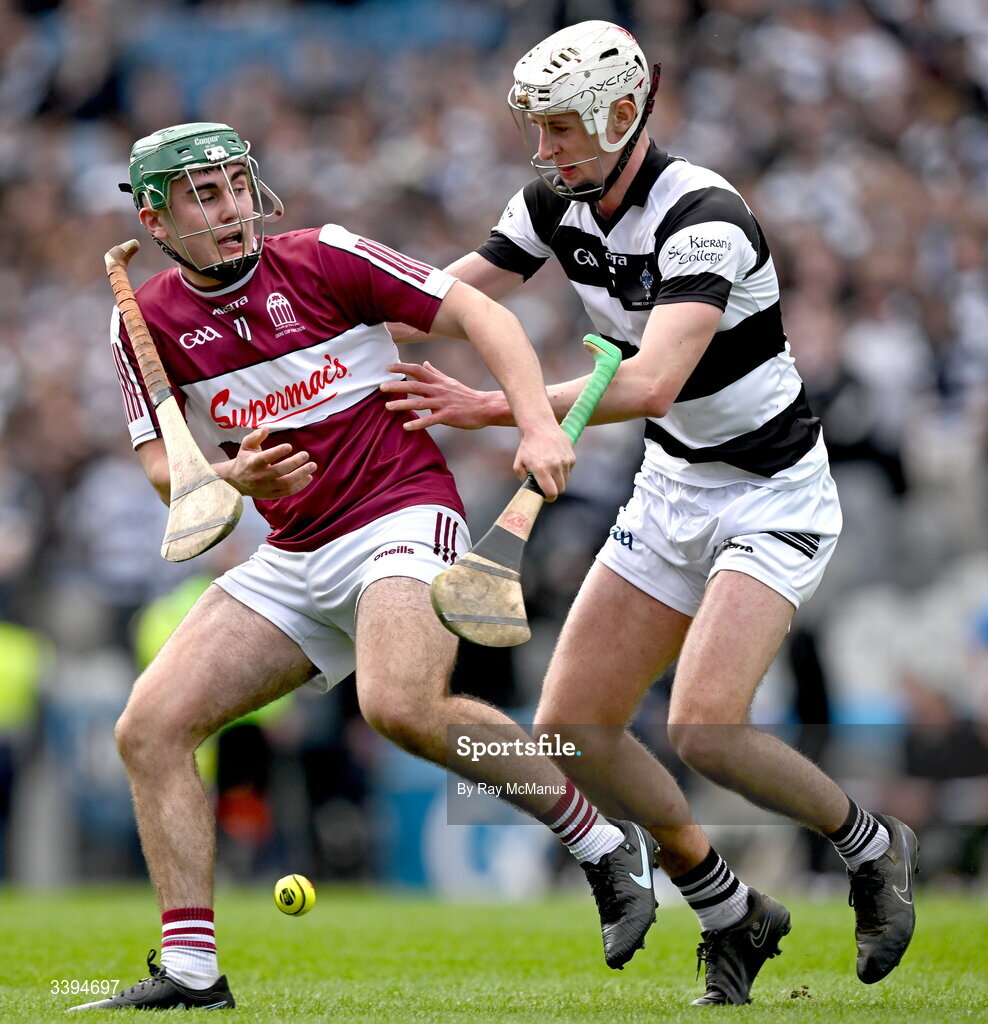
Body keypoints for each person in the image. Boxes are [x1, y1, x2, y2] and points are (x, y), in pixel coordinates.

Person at [383, 21, 919, 1006]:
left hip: (771, 490)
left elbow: (654, 380)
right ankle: (729, 910)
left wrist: (491, 404)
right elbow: (442, 295)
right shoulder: (555, 200)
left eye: (560, 129)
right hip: (672, 486)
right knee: (575, 723)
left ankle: (872, 845)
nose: (541, 151)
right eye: (535, 130)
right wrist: (319, 309)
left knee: (707, 726)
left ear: (622, 114)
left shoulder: (705, 217)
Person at [69, 121, 659, 1011]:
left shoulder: (323, 256)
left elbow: (481, 313)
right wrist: (234, 475)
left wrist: (536, 421)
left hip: (399, 512)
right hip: (291, 549)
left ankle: (603, 847)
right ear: (154, 216)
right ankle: (192, 971)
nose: (229, 209)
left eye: (235, 185)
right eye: (203, 194)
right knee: (147, 729)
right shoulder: (142, 322)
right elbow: (167, 470)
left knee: (397, 703)